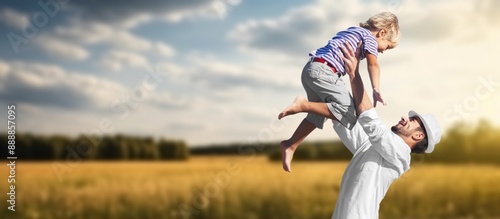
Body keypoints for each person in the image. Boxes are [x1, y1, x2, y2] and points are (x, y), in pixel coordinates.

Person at [279, 42, 442, 219]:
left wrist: (354, 73)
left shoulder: (400, 156)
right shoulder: (372, 148)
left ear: (418, 135)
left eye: (411, 121)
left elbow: (370, 120)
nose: (404, 118)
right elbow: (345, 121)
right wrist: (330, 76)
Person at [279, 12, 401, 172]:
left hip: (311, 69)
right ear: (382, 32)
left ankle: (290, 145)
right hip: (325, 72)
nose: (383, 51)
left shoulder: (352, 30)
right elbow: (373, 65)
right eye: (387, 46)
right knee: (349, 113)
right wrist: (376, 89)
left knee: (317, 116)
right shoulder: (370, 38)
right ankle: (302, 105)